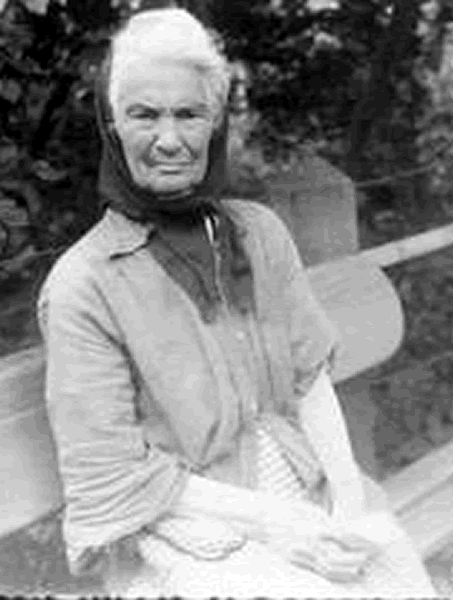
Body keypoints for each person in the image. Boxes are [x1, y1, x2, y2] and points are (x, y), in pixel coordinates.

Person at [37, 7, 436, 597]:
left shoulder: (259, 233)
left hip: (301, 487)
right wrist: (286, 530)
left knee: (396, 578)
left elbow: (309, 381)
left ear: (216, 122)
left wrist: (348, 509)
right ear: (112, 126)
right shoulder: (84, 285)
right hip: (181, 523)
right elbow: (112, 477)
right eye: (144, 115)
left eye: (189, 114)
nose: (168, 139)